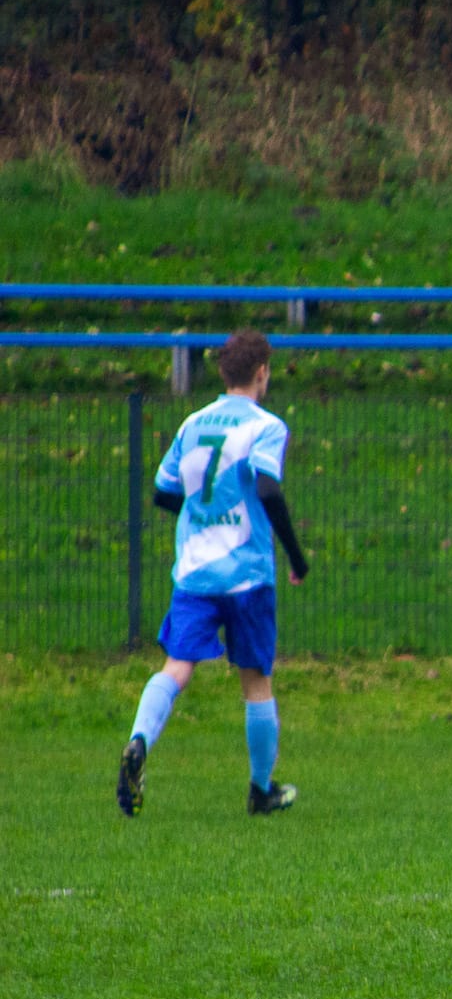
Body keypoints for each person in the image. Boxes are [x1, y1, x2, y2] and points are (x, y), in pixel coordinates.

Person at [117, 331, 310, 818]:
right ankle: (260, 790)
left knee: (176, 667)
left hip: (195, 572)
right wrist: (296, 556)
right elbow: (267, 489)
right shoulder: (266, 426)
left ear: (223, 373)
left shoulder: (193, 424)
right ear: (262, 371)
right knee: (256, 681)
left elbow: (163, 493)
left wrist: (203, 515)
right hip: (247, 574)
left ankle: (139, 740)